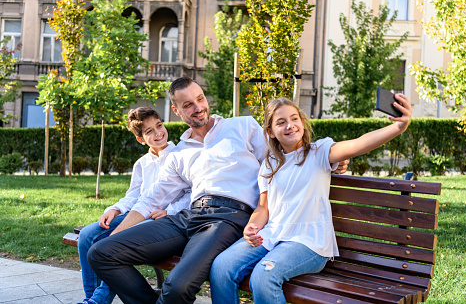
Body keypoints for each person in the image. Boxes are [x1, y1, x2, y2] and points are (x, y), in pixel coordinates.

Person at [87, 77, 350, 304]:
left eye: (200, 98)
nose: (198, 107)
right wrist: (115, 235)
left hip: (228, 219)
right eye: (188, 104)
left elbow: (285, 151)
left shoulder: (242, 127)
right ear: (177, 111)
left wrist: (332, 158)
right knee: (101, 252)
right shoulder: (180, 153)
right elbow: (148, 200)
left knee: (177, 286)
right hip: (189, 217)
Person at [209, 95, 413, 304]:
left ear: (302, 122)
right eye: (281, 122)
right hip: (273, 235)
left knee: (264, 276)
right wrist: (252, 227)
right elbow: (263, 207)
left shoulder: (319, 152)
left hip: (308, 242)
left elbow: (357, 144)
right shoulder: (269, 163)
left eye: (294, 118)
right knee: (221, 267)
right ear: (270, 132)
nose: (290, 125)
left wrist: (398, 128)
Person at [77, 107, 190, 304]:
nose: (158, 133)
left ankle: (98, 300)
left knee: (112, 244)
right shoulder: (142, 163)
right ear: (140, 139)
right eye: (149, 131)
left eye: (159, 125)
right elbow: (133, 195)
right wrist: (115, 209)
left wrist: (169, 210)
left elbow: (192, 192)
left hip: (164, 221)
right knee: (87, 236)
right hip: (137, 214)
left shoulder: (181, 155)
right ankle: (91, 299)